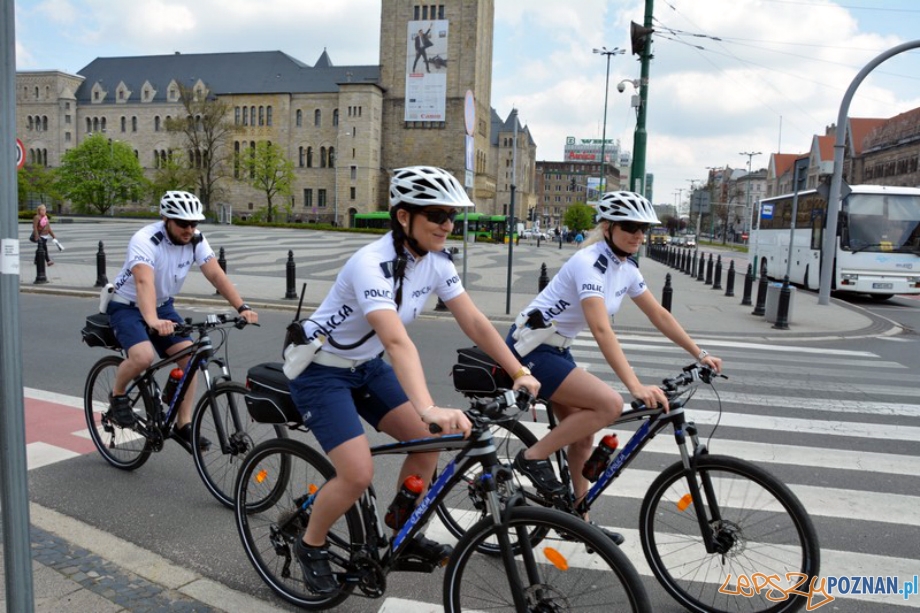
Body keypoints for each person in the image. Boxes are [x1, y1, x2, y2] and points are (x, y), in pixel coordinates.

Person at [287, 166, 540, 594]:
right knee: (356, 473)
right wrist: (427, 408)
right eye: (437, 215)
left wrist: (518, 369)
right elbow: (397, 341)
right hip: (321, 371)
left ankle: (400, 530)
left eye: (452, 217)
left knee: (430, 443)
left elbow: (475, 322)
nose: (447, 225)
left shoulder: (435, 262)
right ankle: (309, 543)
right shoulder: (371, 264)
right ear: (404, 217)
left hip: (365, 366)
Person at [507, 191, 722, 542]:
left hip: (557, 350)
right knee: (607, 404)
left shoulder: (625, 268)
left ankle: (578, 521)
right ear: (607, 227)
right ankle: (532, 458)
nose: (638, 234)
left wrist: (700, 354)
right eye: (630, 227)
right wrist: (634, 387)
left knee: (584, 434)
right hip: (530, 351)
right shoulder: (587, 263)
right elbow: (601, 329)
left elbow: (659, 314)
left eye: (644, 229)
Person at [106, 191, 258, 449]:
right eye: (183, 223)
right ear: (166, 219)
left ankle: (182, 424)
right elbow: (143, 281)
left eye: (194, 223)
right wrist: (152, 320)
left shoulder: (196, 240)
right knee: (143, 357)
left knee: (190, 356)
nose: (190, 229)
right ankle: (118, 396)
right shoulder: (145, 239)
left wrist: (242, 306)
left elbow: (216, 275)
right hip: (128, 305)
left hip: (163, 306)